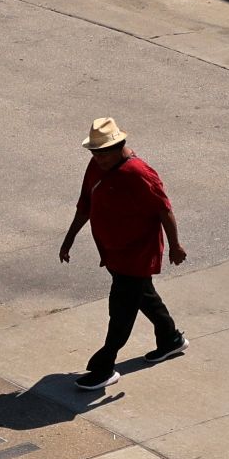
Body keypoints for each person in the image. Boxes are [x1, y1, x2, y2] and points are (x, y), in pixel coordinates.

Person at [60, 117, 185, 386]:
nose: (98, 158)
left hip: (137, 254)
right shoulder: (96, 166)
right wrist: (69, 239)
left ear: (119, 146)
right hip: (113, 252)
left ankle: (104, 367)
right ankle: (170, 338)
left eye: (103, 153)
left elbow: (164, 209)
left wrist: (175, 246)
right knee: (144, 296)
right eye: (94, 153)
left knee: (120, 311)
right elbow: (85, 204)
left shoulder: (138, 173)